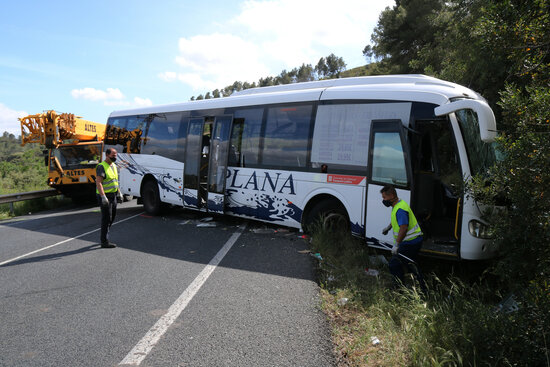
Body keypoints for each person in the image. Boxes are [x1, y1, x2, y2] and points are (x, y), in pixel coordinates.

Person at [380, 184, 426, 292]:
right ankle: (421, 288)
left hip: (411, 242)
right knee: (409, 264)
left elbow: (404, 228)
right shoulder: (398, 204)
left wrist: (396, 245)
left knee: (394, 264)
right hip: (413, 241)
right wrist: (388, 227)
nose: (383, 200)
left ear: (391, 196)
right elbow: (396, 220)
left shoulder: (400, 209)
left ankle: (400, 288)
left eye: (384, 198)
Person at [96, 148, 123, 248]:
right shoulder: (101, 166)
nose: (115, 157)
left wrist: (119, 193)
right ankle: (104, 241)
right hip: (105, 196)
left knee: (112, 217)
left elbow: (115, 181)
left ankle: (105, 235)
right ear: (107, 155)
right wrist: (103, 197)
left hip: (113, 195)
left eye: (116, 155)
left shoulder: (114, 166)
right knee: (106, 218)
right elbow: (99, 183)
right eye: (113, 155)